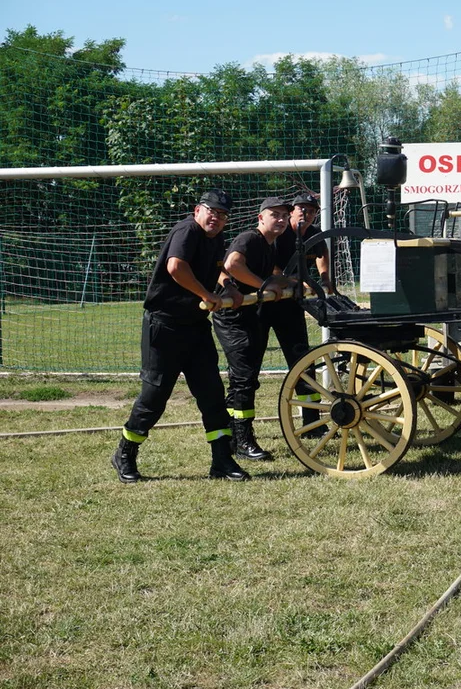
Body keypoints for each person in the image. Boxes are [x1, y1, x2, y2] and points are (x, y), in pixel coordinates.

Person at [110, 190, 250, 483]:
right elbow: (176, 267)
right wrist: (206, 294)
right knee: (154, 396)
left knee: (212, 393)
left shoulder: (216, 238)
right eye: (212, 211)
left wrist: (229, 287)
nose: (217, 218)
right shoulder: (188, 230)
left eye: (223, 215)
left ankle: (222, 461)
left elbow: (217, 268)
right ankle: (125, 453)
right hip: (165, 326)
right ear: (197, 210)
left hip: (196, 327)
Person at [212, 196, 291, 460]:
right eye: (274, 215)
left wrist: (288, 281)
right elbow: (232, 265)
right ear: (261, 218)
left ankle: (231, 435)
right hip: (230, 315)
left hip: (248, 313)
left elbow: (268, 275)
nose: (280, 219)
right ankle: (244, 440)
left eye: (284, 215)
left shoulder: (271, 245)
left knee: (245, 376)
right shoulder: (250, 238)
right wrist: (263, 285)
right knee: (245, 377)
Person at [259, 192, 332, 438]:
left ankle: (311, 422)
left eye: (311, 210)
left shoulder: (313, 233)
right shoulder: (279, 234)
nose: (306, 214)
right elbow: (270, 264)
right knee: (249, 367)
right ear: (292, 211)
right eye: (302, 209)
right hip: (264, 303)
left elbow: (322, 254)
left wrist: (324, 279)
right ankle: (242, 431)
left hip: (291, 304)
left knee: (302, 361)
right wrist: (292, 280)